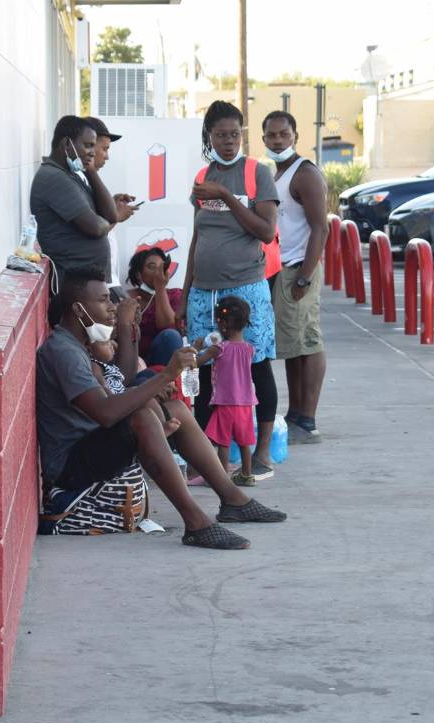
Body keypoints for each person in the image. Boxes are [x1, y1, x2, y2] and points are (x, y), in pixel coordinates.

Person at [36, 267, 286, 550]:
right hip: (69, 465)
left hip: (89, 445)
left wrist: (140, 354)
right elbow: (104, 414)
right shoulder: (64, 352)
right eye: (104, 300)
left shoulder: (77, 346)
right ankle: (195, 523)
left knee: (175, 408)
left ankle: (233, 500)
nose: (111, 307)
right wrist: (166, 375)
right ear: (80, 310)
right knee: (142, 416)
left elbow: (122, 383)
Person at [176, 100, 280, 480]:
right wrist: (185, 295)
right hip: (205, 292)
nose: (228, 142)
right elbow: (196, 237)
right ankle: (208, 461)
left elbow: (266, 231)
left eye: (234, 134)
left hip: (246, 289)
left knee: (255, 365)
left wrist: (225, 194)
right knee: (204, 371)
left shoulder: (257, 174)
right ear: (209, 137)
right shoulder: (202, 176)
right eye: (220, 135)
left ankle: (262, 456)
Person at [262, 111, 330, 444]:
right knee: (292, 344)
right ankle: (296, 414)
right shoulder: (278, 173)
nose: (277, 141)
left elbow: (321, 227)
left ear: (295, 136)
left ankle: (308, 418)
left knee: (309, 341)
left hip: (299, 268)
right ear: (263, 140)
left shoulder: (304, 174)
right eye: (271, 136)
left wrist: (304, 276)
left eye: (283, 135)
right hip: (280, 267)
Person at [30, 116, 133, 276]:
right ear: (66, 144)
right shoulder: (54, 177)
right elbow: (97, 227)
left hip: (90, 284)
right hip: (76, 284)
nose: (92, 153)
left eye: (94, 147)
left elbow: (109, 216)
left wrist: (90, 171)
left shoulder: (73, 175)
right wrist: (113, 217)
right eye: (88, 146)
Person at [196, 298, 258, 486]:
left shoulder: (219, 349)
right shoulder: (249, 349)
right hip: (246, 403)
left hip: (225, 402)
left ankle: (222, 476)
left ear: (222, 325)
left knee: (223, 442)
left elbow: (197, 362)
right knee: (243, 442)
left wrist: (196, 348)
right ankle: (247, 475)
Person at [84, 116, 141, 290]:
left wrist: (111, 204)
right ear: (89, 145)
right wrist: (116, 216)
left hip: (107, 280)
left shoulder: (86, 180)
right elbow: (90, 234)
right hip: (100, 284)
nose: (107, 157)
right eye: (105, 149)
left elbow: (96, 219)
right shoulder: (75, 181)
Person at [126, 246, 184, 365]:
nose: (158, 272)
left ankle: (169, 380)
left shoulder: (174, 294)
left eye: (161, 267)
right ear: (138, 275)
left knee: (171, 336)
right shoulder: (127, 297)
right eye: (152, 267)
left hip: (164, 360)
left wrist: (160, 288)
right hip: (135, 361)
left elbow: (168, 326)